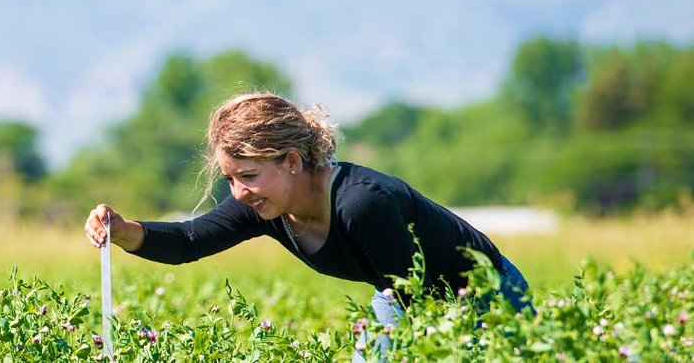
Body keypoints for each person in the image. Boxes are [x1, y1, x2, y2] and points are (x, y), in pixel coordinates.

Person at [84, 92, 532, 357]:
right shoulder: (265, 205)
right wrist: (123, 230)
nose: (239, 192)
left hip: (483, 294)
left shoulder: (361, 204)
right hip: (400, 296)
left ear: (292, 162)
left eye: (249, 176)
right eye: (230, 179)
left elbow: (419, 301)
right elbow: (187, 240)